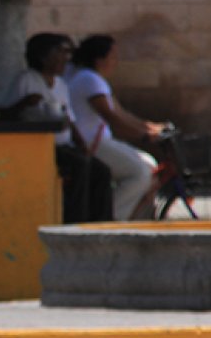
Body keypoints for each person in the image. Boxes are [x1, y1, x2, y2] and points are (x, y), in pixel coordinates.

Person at [4, 33, 113, 223]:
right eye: (60, 53)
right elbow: (6, 115)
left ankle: (100, 222)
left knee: (101, 171)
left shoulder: (61, 85)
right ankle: (74, 221)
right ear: (43, 56)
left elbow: (69, 119)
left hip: (65, 145)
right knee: (79, 166)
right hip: (39, 146)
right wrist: (25, 103)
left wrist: (82, 145)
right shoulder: (26, 80)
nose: (65, 59)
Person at [68, 34, 165, 221]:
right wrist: (143, 136)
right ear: (99, 60)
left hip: (99, 141)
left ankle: (135, 218)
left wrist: (150, 127)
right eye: (112, 56)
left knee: (150, 165)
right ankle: (112, 218)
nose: (116, 61)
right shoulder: (89, 79)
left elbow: (121, 113)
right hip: (91, 142)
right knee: (139, 174)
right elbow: (112, 117)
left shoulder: (93, 79)